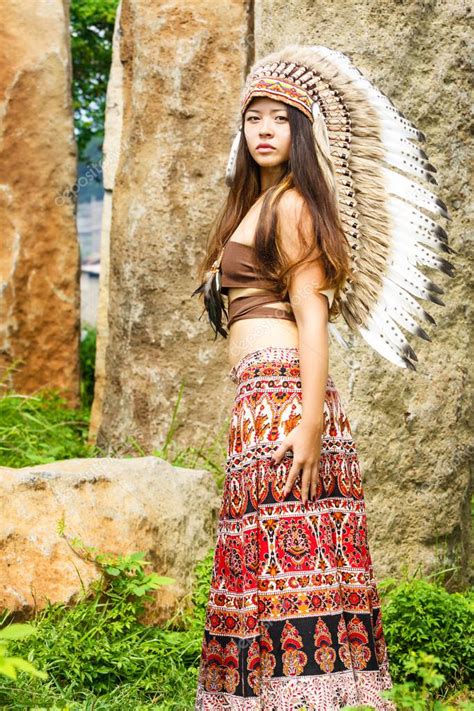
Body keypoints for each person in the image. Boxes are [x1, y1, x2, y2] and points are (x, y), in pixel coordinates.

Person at [192, 44, 451, 710]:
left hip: (286, 400)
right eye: (255, 118)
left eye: (280, 118)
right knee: (264, 559)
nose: (265, 129)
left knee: (287, 561)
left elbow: (311, 314)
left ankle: (305, 697)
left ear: (300, 131)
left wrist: (309, 422)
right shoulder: (253, 204)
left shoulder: (295, 205)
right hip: (258, 402)